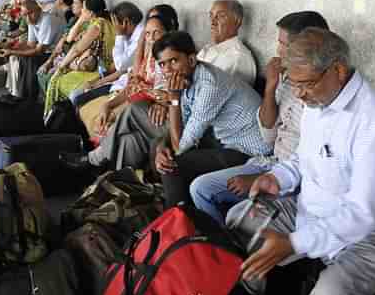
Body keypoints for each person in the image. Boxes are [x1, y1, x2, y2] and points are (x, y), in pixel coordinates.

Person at [227, 27, 375, 295]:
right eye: (294, 85)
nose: (300, 95)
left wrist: (295, 243)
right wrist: (277, 177)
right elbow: (304, 157)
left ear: (338, 70)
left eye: (306, 85)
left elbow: (364, 213)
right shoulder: (319, 100)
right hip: (314, 212)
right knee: (239, 222)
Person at [62, 32, 271, 205]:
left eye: (173, 61)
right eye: (163, 64)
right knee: (140, 139)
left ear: (190, 59)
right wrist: (163, 141)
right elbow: (183, 126)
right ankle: (114, 188)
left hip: (245, 152)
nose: (168, 69)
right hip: (216, 138)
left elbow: (181, 144)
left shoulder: (210, 85)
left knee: (171, 162)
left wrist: (173, 99)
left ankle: (177, 218)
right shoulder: (189, 79)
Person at [190, 11, 329, 225]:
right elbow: (268, 134)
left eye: (284, 44)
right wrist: (271, 87)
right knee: (200, 188)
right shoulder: (284, 78)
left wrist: (263, 179)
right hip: (270, 162)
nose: (278, 50)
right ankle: (211, 249)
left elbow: (312, 161)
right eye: (279, 42)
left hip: (294, 178)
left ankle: (225, 251)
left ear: (305, 48)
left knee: (238, 218)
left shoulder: (322, 92)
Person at [79, 13, 175, 139]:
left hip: (149, 108)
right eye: (147, 33)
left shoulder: (170, 61)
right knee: (89, 111)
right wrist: (108, 105)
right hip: (134, 99)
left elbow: (168, 98)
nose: (151, 38)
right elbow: (133, 86)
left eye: (157, 32)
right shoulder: (150, 56)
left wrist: (163, 102)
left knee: (105, 127)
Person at [43, 0, 116, 116]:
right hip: (101, 68)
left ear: (91, 13)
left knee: (59, 80)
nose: (82, 11)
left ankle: (60, 117)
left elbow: (77, 49)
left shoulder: (97, 25)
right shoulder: (101, 22)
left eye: (84, 8)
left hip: (104, 71)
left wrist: (62, 65)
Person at [71, 1, 144, 108]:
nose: (114, 27)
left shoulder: (140, 37)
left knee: (77, 99)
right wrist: (97, 82)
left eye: (114, 23)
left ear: (125, 22)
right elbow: (122, 69)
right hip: (118, 81)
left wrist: (119, 35)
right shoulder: (130, 34)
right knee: (77, 95)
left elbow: (121, 65)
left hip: (123, 86)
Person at [0, 0, 65, 100]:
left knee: (30, 60)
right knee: (21, 57)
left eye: (30, 13)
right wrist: (11, 46)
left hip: (55, 54)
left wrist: (11, 51)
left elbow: (39, 50)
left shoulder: (47, 20)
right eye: (25, 15)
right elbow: (30, 44)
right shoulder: (31, 20)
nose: (27, 17)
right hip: (45, 51)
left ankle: (27, 98)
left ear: (38, 10)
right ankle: (20, 94)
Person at [37, 0, 91, 94]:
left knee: (51, 77)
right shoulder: (73, 20)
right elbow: (61, 43)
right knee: (41, 72)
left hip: (74, 61)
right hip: (63, 57)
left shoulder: (90, 25)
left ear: (85, 6)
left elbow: (76, 48)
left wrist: (61, 66)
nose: (72, 5)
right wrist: (48, 62)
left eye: (75, 3)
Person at [197, 0, 257, 86]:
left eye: (221, 16)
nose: (213, 22)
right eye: (211, 16)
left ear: (237, 21)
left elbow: (217, 96)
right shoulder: (208, 48)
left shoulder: (237, 58)